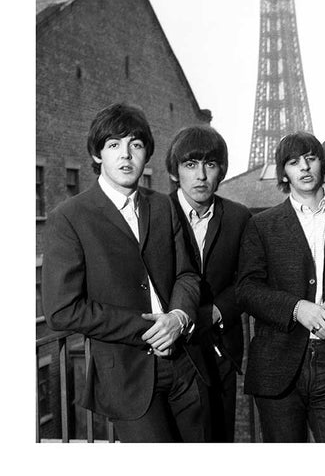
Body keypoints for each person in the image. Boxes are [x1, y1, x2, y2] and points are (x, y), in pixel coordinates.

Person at [42, 102, 204, 443]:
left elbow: (188, 274)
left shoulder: (162, 205)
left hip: (185, 365)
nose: (126, 155)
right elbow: (61, 310)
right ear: (97, 154)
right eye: (114, 145)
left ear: (147, 154)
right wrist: (148, 328)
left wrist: (177, 317)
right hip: (127, 377)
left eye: (136, 145)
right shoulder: (70, 217)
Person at [236, 132, 325, 442]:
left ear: (323, 163)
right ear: (284, 173)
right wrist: (296, 309)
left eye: (311, 158)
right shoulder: (262, 224)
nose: (304, 168)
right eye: (294, 162)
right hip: (278, 365)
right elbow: (246, 289)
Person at [166, 125, 251, 441]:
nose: (201, 175)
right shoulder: (157, 213)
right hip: (171, 351)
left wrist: (216, 311)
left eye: (210, 165)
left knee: (218, 440)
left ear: (221, 171)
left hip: (219, 348)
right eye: (190, 165)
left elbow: (248, 280)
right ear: (175, 172)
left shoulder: (239, 217)